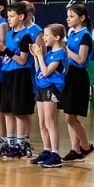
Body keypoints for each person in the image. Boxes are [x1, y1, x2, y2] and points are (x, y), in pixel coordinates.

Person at [0, 1, 39, 159]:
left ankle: (21, 144)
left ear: (21, 17)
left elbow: (21, 60)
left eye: (11, 16)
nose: (8, 19)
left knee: (19, 112)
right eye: (8, 16)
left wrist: (4, 49)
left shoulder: (26, 35)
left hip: (20, 75)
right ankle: (10, 143)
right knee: (7, 110)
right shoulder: (8, 34)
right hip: (7, 73)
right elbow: (6, 56)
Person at [60, 4, 94, 161]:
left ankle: (86, 146)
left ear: (82, 18)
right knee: (69, 114)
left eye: (71, 16)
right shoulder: (72, 33)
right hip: (68, 74)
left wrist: (65, 48)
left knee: (70, 117)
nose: (68, 19)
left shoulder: (85, 35)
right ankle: (75, 149)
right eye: (67, 16)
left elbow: (80, 59)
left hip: (78, 76)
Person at [31, 24, 67, 167]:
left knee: (49, 121)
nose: (44, 38)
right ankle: (46, 150)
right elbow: (39, 70)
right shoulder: (50, 53)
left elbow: (46, 72)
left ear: (56, 37)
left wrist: (40, 55)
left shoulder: (60, 54)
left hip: (52, 88)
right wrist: (36, 57)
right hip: (41, 86)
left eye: (46, 35)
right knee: (41, 122)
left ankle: (55, 154)